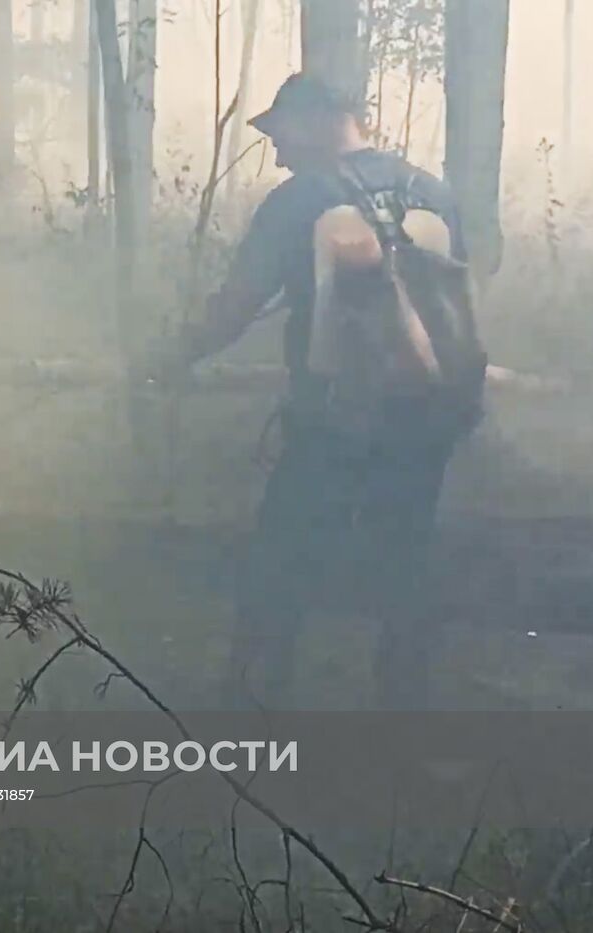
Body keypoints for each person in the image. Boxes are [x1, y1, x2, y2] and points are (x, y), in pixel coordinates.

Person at [144, 73, 469, 710]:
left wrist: (170, 357)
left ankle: (253, 700)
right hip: (425, 420)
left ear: (324, 118)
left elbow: (235, 307)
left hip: (332, 421)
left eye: (281, 131)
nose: (277, 149)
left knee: (280, 557)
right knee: (405, 556)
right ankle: (403, 709)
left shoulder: (299, 202)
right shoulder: (432, 193)